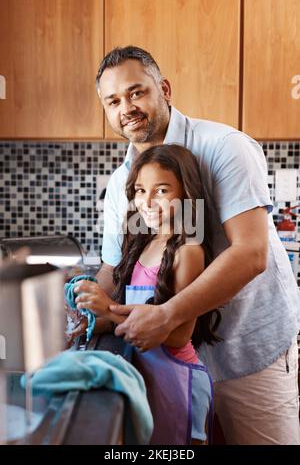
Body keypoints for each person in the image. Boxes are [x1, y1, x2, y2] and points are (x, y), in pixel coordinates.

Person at [73, 46, 300, 445]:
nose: (126, 107)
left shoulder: (224, 147)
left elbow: (251, 253)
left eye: (136, 92)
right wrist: (88, 308)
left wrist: (166, 316)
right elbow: (115, 269)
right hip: (171, 363)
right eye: (113, 101)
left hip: (248, 347)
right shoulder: (125, 183)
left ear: (164, 89)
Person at [75, 143, 220, 444]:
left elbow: (179, 334)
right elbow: (134, 312)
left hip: (179, 380)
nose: (147, 201)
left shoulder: (188, 252)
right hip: (145, 373)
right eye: (141, 190)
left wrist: (109, 307)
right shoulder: (143, 243)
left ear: (186, 194)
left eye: (162, 190)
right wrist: (88, 321)